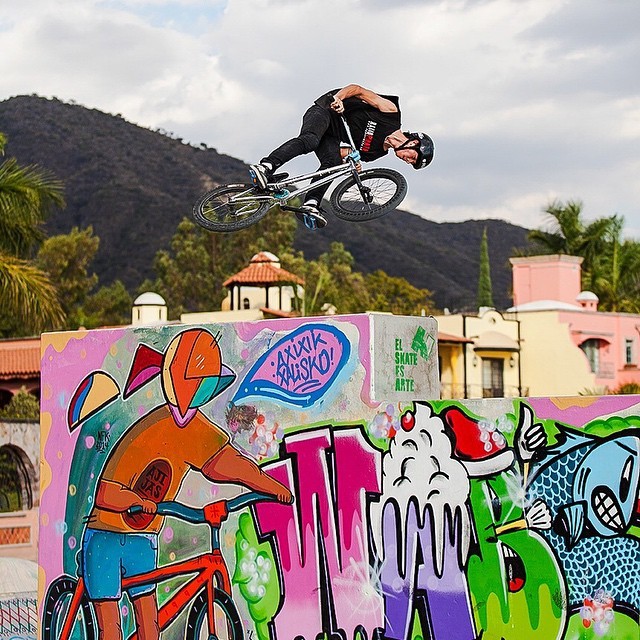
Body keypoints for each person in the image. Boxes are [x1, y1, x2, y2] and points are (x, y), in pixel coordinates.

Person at [80, 328, 293, 640]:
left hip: (143, 537)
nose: (201, 390)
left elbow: (226, 463)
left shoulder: (194, 428)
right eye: (198, 382)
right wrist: (133, 500)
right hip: (106, 535)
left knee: (149, 629)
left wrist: (268, 486)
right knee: (111, 630)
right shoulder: (149, 430)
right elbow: (105, 492)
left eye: (207, 384)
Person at [249, 83, 434, 228]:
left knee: (333, 164)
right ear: (414, 143)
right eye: (412, 157)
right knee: (310, 140)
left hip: (332, 136)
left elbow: (340, 152)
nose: (407, 160)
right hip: (325, 111)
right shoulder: (390, 114)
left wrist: (349, 160)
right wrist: (338, 98)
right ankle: (266, 167)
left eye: (410, 163)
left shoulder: (377, 153)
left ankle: (311, 203)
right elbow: (358, 90)